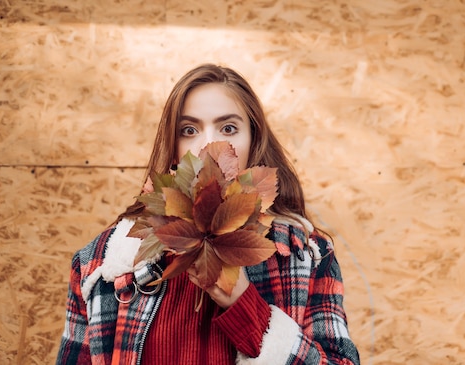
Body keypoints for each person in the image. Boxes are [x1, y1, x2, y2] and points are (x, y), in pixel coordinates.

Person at [56, 64, 360, 364]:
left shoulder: (302, 254)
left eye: (228, 128)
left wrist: (247, 308)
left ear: (253, 141)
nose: (208, 144)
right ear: (174, 148)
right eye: (189, 130)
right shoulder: (100, 264)